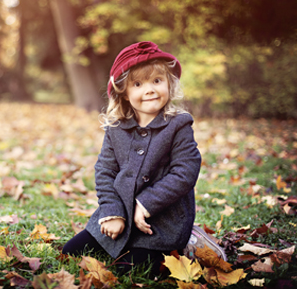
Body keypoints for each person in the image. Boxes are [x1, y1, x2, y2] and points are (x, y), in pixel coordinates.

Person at [62, 41, 226, 277]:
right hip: (121, 214)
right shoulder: (117, 128)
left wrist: (145, 203)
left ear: (169, 84)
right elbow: (105, 171)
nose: (149, 89)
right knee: (71, 251)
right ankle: (117, 227)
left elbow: (185, 172)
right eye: (138, 84)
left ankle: (189, 241)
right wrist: (112, 211)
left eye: (157, 81)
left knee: (128, 270)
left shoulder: (179, 125)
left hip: (161, 223)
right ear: (125, 93)